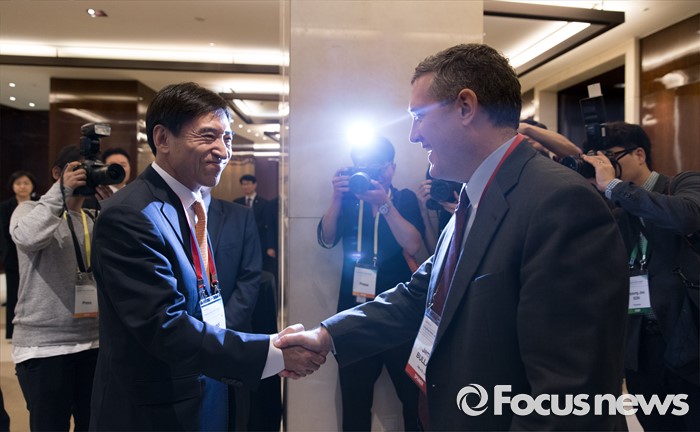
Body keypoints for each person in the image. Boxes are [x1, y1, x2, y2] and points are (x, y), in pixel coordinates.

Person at [277, 44, 629, 431]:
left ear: (465, 107)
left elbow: (569, 396)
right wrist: (326, 335)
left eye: (419, 117)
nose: (414, 135)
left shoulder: (560, 202)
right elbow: (419, 295)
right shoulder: (473, 196)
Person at [89, 82, 324, 431]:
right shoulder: (130, 215)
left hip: (207, 386)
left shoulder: (191, 204)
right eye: (208, 136)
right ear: (162, 138)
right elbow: (164, 326)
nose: (222, 151)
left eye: (227, 139)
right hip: (156, 410)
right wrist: (270, 352)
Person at [581, 121, 700, 430]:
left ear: (639, 154)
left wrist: (614, 187)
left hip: (688, 339)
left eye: (611, 157)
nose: (605, 166)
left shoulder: (683, 184)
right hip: (640, 348)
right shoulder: (614, 207)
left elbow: (685, 217)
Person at [317, 136, 424, 431]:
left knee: (413, 400)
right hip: (354, 313)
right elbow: (327, 238)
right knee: (354, 402)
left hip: (401, 311)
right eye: (362, 166)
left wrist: (385, 204)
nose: (369, 172)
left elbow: (413, 244)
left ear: (391, 168)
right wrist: (337, 197)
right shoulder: (350, 201)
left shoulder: (403, 199)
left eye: (377, 166)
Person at [9, 146, 110, 431]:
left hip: (94, 343)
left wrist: (116, 209)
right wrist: (60, 193)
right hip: (44, 347)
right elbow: (28, 238)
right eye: (77, 169)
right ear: (57, 173)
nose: (85, 176)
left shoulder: (95, 217)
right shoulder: (28, 210)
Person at [204, 186, 264, 430]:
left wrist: (220, 330)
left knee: (235, 416)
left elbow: (250, 277)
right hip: (179, 340)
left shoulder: (240, 216)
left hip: (233, 336)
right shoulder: (164, 215)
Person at [0, 170, 37, 339]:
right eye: (18, 183)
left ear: (32, 186)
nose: (22, 186)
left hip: (34, 253)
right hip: (12, 255)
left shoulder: (39, 204)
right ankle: (12, 331)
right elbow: (3, 233)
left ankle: (33, 327)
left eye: (26, 183)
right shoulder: (5, 206)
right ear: (12, 186)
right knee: (13, 293)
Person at [415, 169, 457, 253]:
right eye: (439, 183)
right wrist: (424, 213)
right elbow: (435, 253)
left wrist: (463, 217)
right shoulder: (442, 210)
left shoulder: (470, 205)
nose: (442, 189)